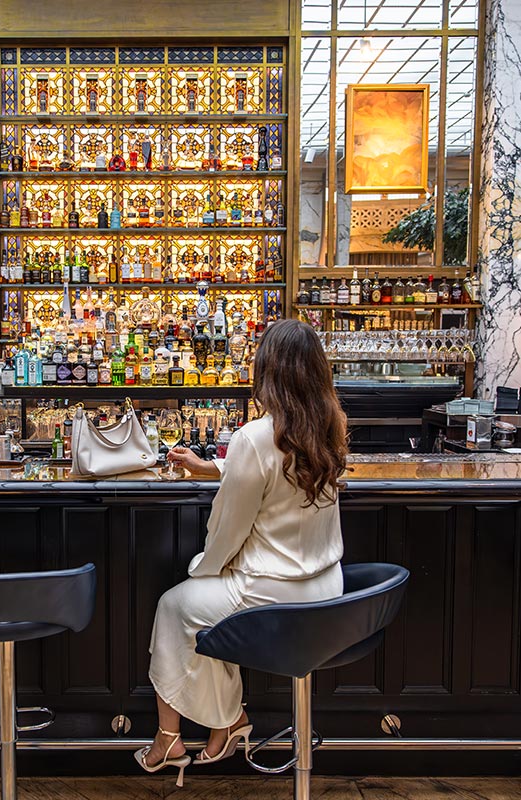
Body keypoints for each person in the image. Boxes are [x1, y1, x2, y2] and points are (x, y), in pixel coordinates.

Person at [135, 319, 348, 785]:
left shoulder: (255, 436)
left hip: (276, 594)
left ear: (266, 372)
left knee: (177, 606)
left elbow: (226, 531)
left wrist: (204, 570)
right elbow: (278, 476)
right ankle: (228, 723)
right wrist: (215, 467)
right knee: (203, 610)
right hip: (329, 591)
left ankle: (172, 738)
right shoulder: (328, 426)